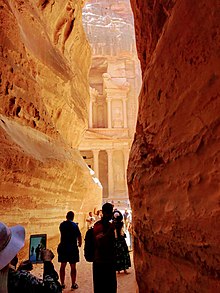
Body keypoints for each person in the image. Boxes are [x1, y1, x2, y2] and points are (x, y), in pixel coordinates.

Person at [0, 221, 61, 293]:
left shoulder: (15, 278)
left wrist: (18, 270)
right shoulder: (21, 279)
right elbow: (53, 290)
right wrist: (48, 263)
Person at [93, 203, 117, 293]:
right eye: (109, 212)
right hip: (101, 262)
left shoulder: (107, 225)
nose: (111, 214)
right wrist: (111, 230)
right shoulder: (99, 226)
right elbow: (100, 241)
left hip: (108, 261)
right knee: (102, 287)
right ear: (104, 212)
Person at [57, 211, 82, 290]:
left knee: (62, 266)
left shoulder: (62, 225)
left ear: (66, 216)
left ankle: (62, 284)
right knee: (73, 267)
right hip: (72, 248)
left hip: (63, 247)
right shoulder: (75, 225)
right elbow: (79, 235)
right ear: (73, 217)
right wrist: (80, 243)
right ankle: (73, 284)